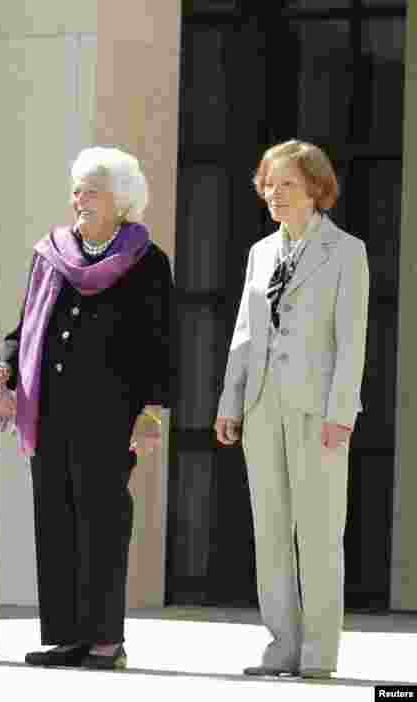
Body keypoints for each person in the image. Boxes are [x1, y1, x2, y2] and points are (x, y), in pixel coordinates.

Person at [0, 146, 173, 670]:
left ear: (122, 200)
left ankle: (106, 639)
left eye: (91, 190)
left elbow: (161, 343)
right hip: (49, 411)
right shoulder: (52, 254)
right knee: (57, 519)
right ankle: (68, 635)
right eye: (76, 189)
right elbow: (23, 330)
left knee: (103, 521)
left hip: (111, 413)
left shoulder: (146, 260)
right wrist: (2, 371)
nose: (79, 199)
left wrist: (152, 412)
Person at [215, 140, 368, 680]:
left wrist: (340, 415)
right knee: (271, 530)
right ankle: (282, 644)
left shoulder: (346, 252)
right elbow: (243, 333)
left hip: (318, 411)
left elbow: (352, 341)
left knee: (320, 532)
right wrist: (230, 401)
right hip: (262, 407)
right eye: (269, 184)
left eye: (287, 184)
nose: (274, 194)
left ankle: (318, 654)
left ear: (316, 190)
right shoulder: (260, 252)